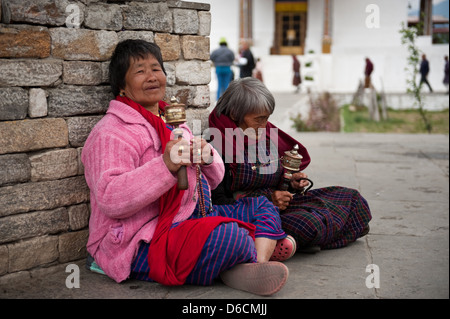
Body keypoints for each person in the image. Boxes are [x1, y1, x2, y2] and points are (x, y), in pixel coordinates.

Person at [81, 39, 290, 296]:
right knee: (229, 237)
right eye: (140, 71)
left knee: (262, 207)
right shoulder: (111, 133)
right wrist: (165, 166)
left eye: (156, 69)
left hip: (191, 216)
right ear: (122, 86)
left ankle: (252, 266)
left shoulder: (173, 123)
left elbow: (212, 183)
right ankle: (243, 261)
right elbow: (110, 198)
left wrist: (208, 158)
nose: (151, 77)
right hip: (141, 238)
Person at [209, 78, 372, 254]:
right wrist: (268, 201)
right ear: (234, 114)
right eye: (259, 119)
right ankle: (289, 240)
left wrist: (291, 182)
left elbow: (274, 177)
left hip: (282, 206)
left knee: (353, 199)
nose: (265, 126)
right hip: (256, 215)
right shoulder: (219, 147)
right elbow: (217, 204)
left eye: (267, 119)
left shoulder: (262, 134)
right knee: (309, 224)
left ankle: (296, 240)